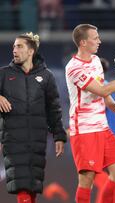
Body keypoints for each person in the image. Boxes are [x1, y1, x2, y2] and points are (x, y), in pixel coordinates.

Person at [0, 32, 67, 203]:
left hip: (37, 138)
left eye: (19, 46)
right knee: (22, 184)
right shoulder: (4, 74)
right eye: (14, 46)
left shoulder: (46, 76)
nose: (14, 50)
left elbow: (53, 107)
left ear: (31, 51)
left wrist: (59, 135)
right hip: (13, 138)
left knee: (32, 185)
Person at [65, 24, 115, 203]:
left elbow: (105, 98)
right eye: (95, 38)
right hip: (84, 130)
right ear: (83, 42)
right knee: (87, 180)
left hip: (103, 128)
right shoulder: (74, 68)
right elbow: (103, 90)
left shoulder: (96, 61)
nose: (99, 41)